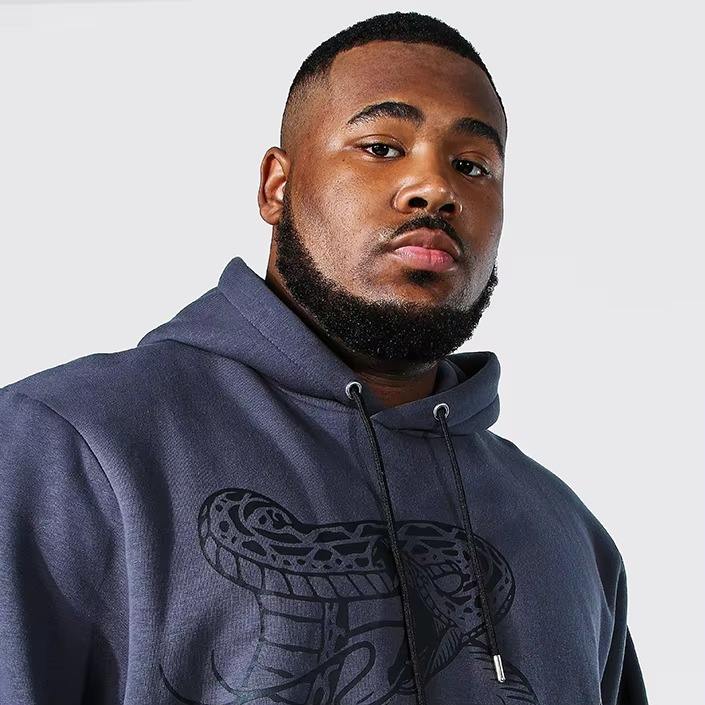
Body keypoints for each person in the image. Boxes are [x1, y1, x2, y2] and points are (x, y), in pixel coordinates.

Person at [0, 11, 649, 705]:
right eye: (381, 147)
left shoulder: (569, 537)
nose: (435, 188)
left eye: (471, 166)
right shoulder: (66, 444)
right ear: (276, 186)